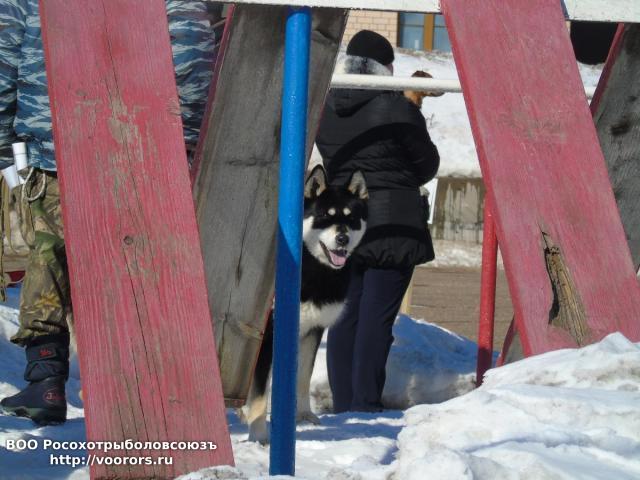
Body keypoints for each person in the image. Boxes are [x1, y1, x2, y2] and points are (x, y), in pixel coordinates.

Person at [0, 0, 216, 425]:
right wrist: (182, 141)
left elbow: (5, 57)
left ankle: (46, 378)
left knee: (50, 253)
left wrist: (6, 147)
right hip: (143, 147)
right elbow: (191, 53)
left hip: (55, 143)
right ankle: (133, 388)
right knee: (132, 266)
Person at [316, 30, 440, 413]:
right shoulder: (395, 107)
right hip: (392, 228)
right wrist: (413, 107)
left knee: (345, 316)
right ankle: (365, 404)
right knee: (376, 319)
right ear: (385, 68)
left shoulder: (325, 107)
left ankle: (345, 407)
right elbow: (426, 166)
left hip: (346, 227)